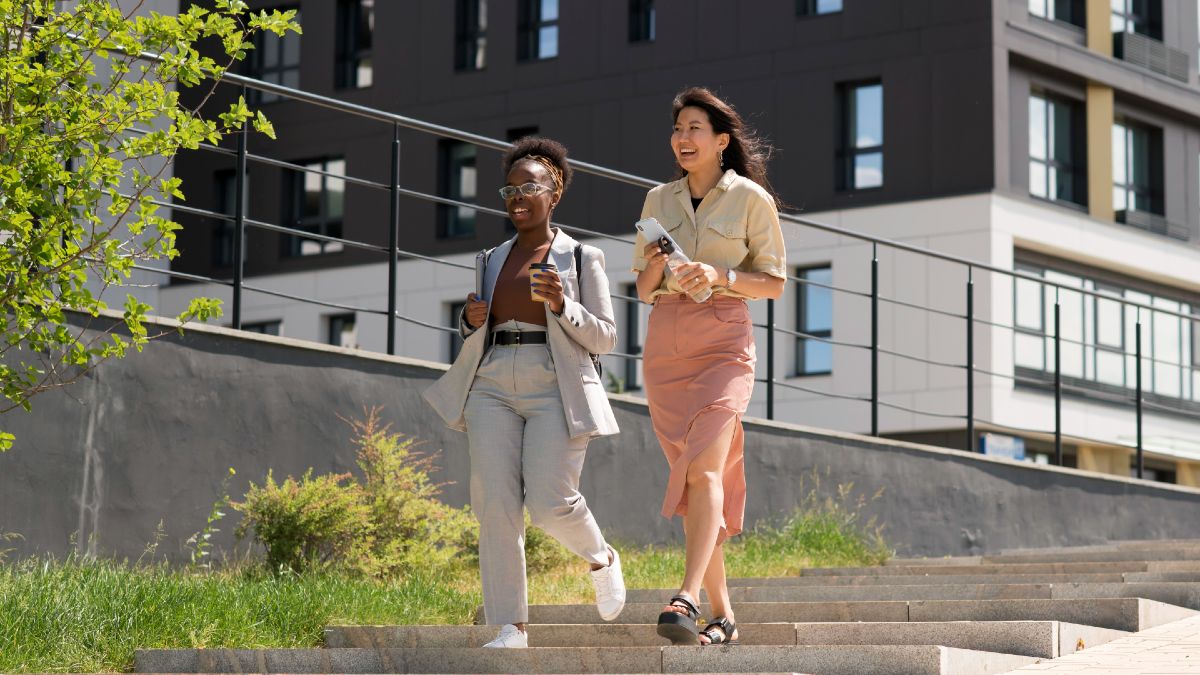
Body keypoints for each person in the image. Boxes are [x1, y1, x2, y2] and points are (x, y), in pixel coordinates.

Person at [423, 137, 625, 649]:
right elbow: (478, 330)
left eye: (529, 186)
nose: (517, 196)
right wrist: (469, 324)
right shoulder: (490, 259)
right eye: (509, 189)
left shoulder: (582, 255)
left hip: (555, 383)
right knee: (495, 503)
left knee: (551, 504)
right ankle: (510, 626)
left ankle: (601, 558)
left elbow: (605, 335)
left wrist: (562, 305)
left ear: (553, 191)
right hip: (492, 383)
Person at [632, 87, 787, 647]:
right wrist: (656, 266)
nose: (683, 138)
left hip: (724, 342)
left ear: (721, 141)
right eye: (678, 129)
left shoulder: (750, 200)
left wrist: (719, 276)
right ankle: (723, 613)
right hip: (667, 343)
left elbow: (773, 282)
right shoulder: (657, 200)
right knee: (700, 484)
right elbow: (643, 289)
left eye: (695, 128)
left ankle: (687, 596)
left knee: (704, 470)